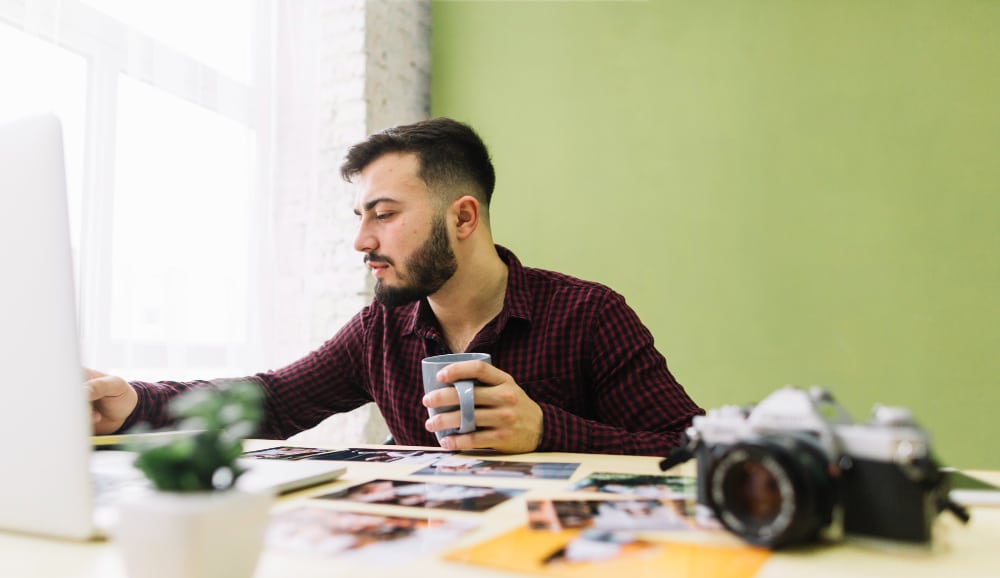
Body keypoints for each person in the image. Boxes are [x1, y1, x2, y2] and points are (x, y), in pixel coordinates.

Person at [87, 117, 702, 456]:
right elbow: (272, 401)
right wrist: (136, 403)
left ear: (463, 218)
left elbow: (691, 445)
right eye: (359, 217)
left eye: (383, 214)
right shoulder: (381, 330)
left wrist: (546, 430)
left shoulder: (588, 313)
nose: (361, 242)